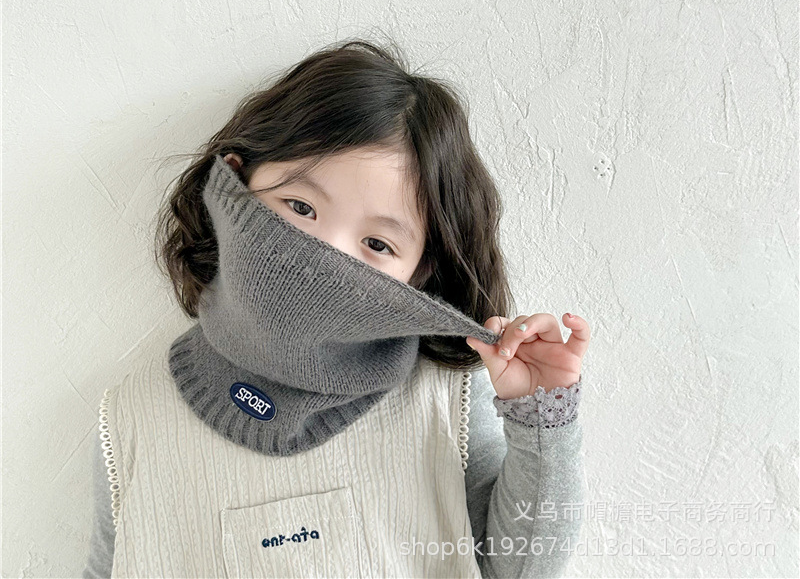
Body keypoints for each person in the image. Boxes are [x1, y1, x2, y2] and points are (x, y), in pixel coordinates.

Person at [82, 37, 589, 578]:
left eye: (377, 244)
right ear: (233, 184)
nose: (325, 256)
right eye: (300, 207)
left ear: (419, 274)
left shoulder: (449, 400)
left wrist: (542, 417)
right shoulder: (132, 420)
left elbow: (519, 570)